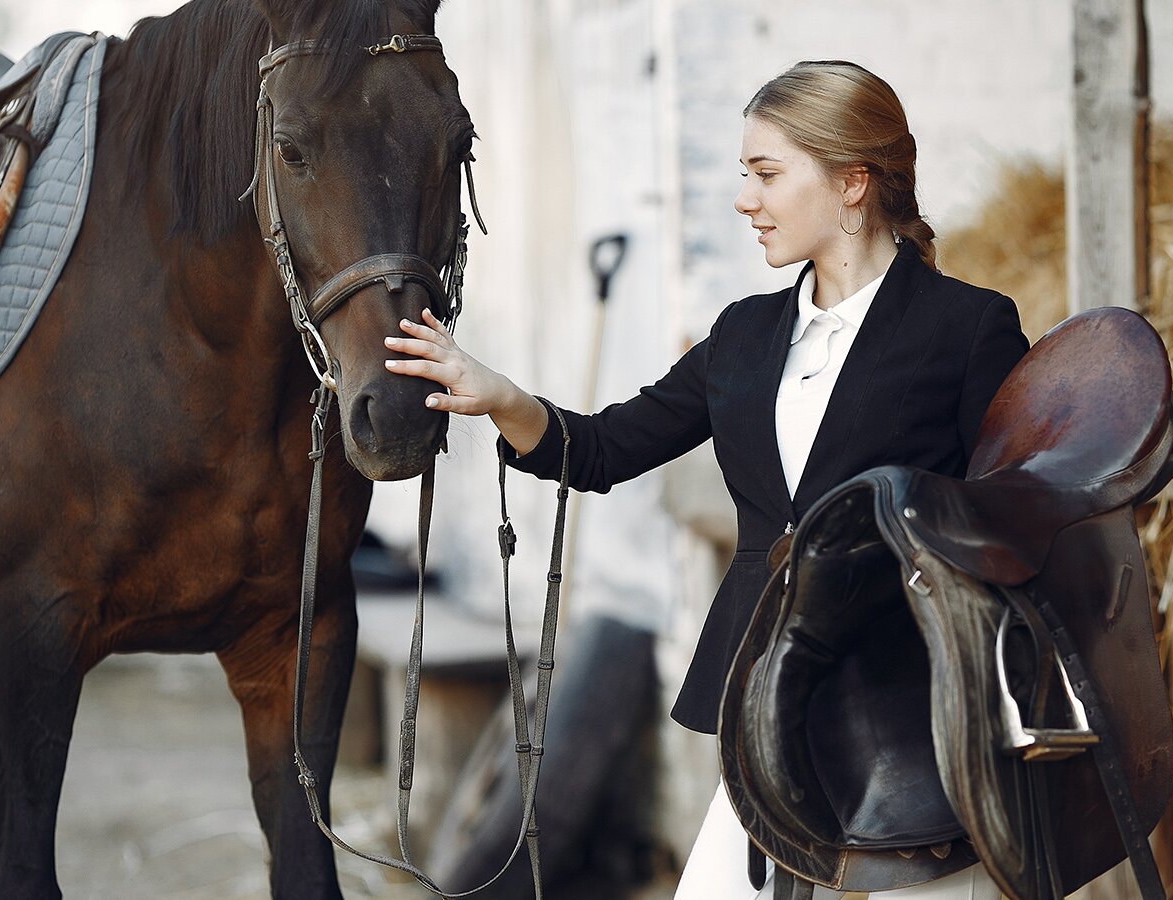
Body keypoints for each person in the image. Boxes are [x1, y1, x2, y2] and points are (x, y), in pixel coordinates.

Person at [384, 60, 1029, 899]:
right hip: (766, 699)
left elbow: (1014, 518)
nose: (743, 199)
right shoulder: (744, 334)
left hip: (916, 718)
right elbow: (602, 449)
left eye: (766, 174)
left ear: (852, 183)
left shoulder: (968, 328)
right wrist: (501, 396)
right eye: (742, 175)